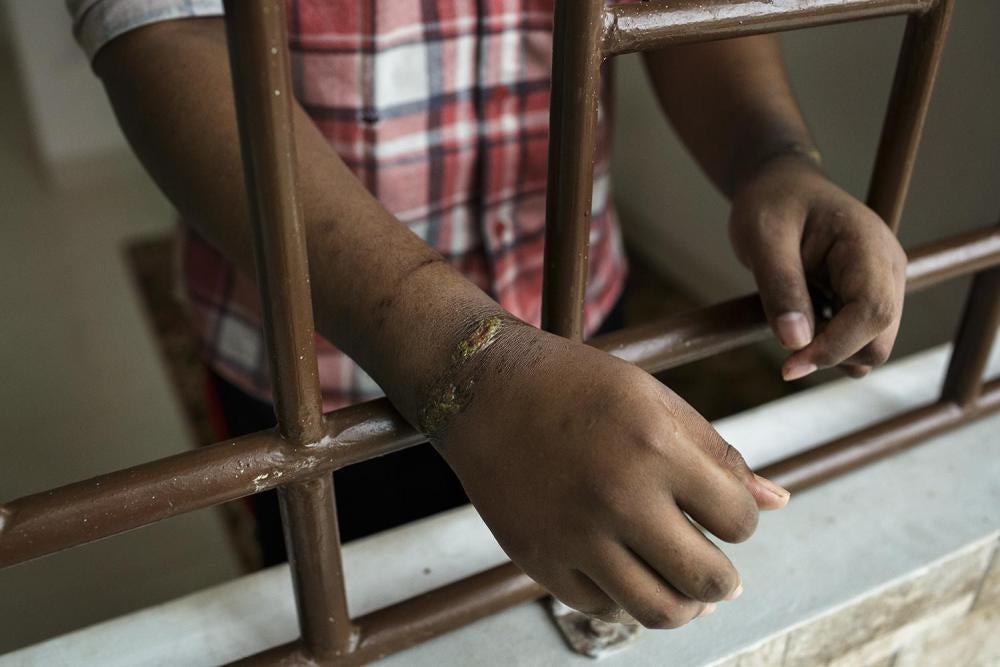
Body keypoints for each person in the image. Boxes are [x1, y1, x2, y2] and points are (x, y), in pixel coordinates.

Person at [67, 0, 906, 629]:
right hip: (313, 365)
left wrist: (772, 156)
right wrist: (466, 367)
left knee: (550, 610)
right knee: (364, 619)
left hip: (576, 313)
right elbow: (162, 29)